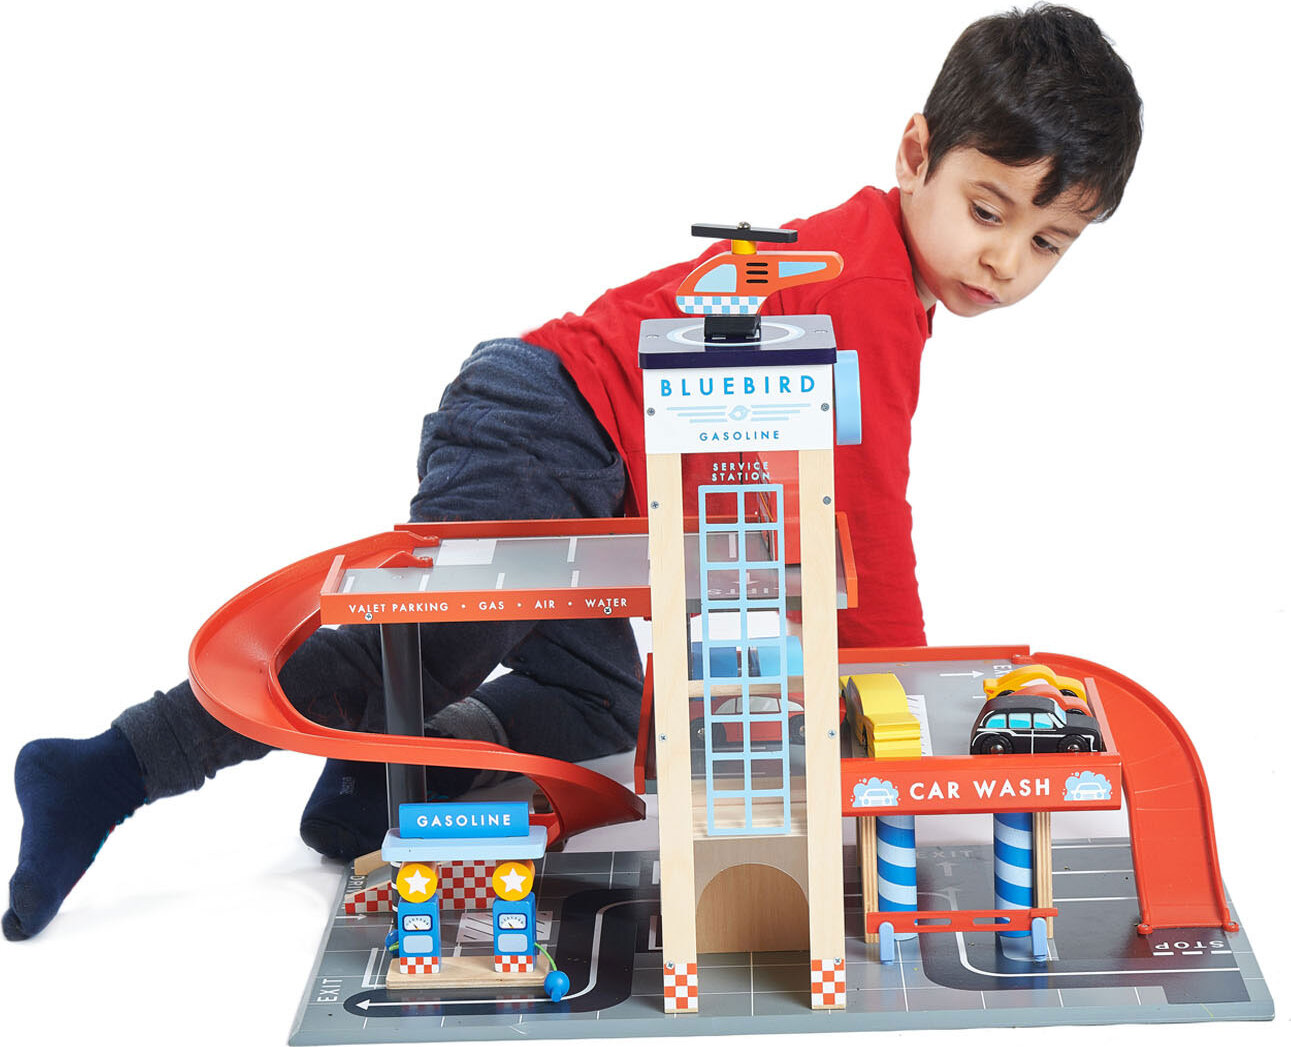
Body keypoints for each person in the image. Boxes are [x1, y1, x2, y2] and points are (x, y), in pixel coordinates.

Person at [4, 3, 1141, 942]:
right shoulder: (866, 289)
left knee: (592, 700)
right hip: (547, 418)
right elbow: (861, 518)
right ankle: (106, 768)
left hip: (610, 488)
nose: (1005, 258)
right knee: (437, 637)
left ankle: (379, 775)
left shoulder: (880, 272)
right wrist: (889, 699)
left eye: (1048, 241)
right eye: (986, 210)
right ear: (914, 155)